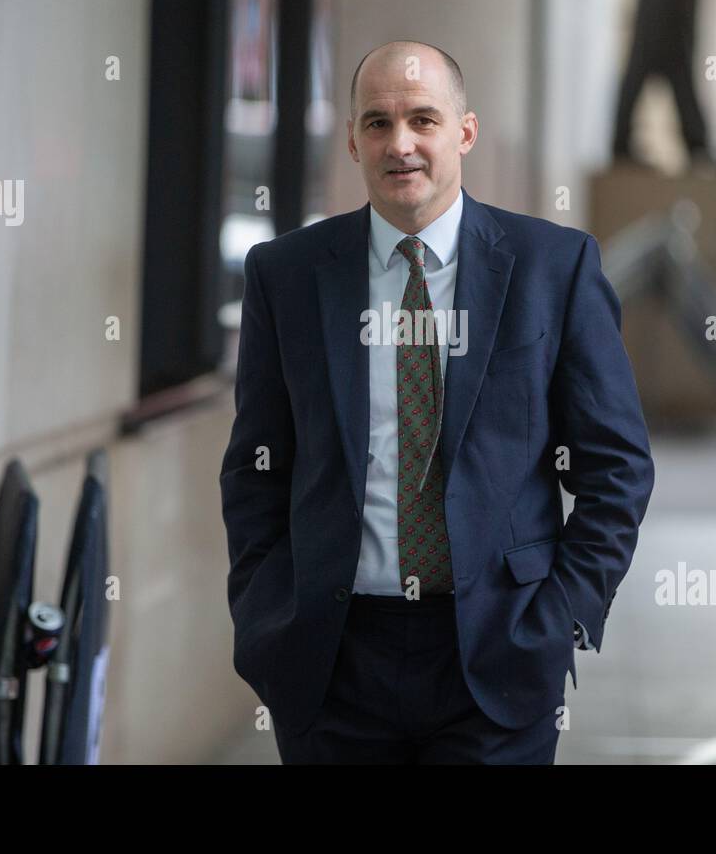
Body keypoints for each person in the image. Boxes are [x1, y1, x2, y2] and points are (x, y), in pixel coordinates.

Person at [220, 40, 654, 763]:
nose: (402, 144)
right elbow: (256, 468)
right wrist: (265, 610)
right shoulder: (287, 275)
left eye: (423, 119)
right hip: (332, 660)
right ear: (354, 142)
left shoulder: (555, 267)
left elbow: (618, 467)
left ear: (464, 131)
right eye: (378, 123)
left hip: (498, 650)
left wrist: (562, 614)